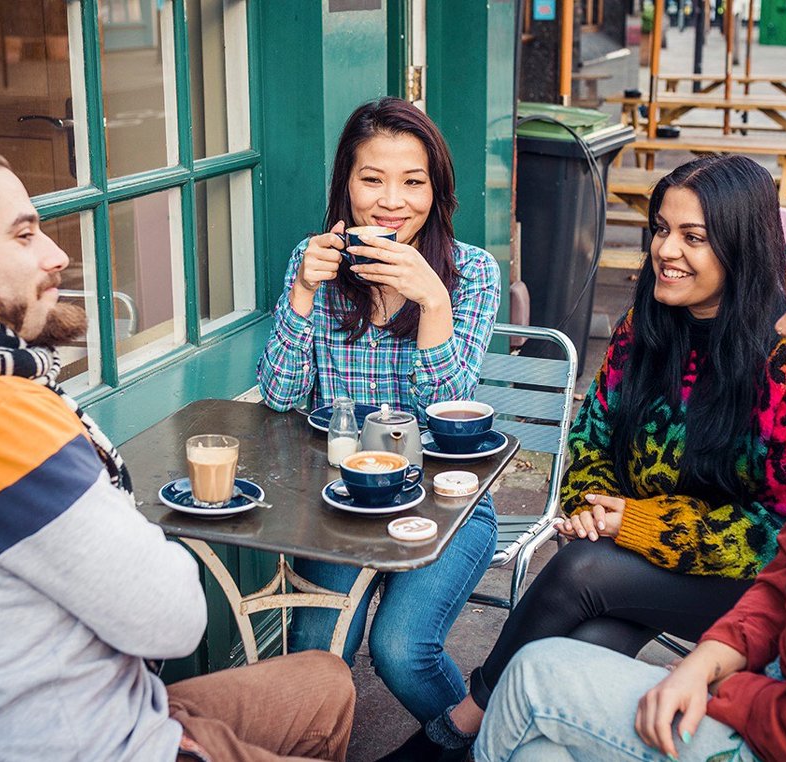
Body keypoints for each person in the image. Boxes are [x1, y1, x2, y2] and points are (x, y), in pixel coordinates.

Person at [0, 147, 355, 761]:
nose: (57, 255)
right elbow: (176, 619)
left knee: (325, 682)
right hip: (103, 747)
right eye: (25, 235)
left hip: (108, 709)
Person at [475, 194, 786, 762]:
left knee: (538, 673)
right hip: (771, 659)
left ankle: (457, 728)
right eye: (661, 229)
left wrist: (713, 680)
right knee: (544, 738)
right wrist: (707, 658)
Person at [383, 154, 786, 761]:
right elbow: (590, 441)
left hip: (747, 593)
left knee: (582, 572)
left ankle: (457, 728)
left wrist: (640, 525)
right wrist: (591, 510)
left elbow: (784, 534)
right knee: (580, 641)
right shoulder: (644, 327)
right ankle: (497, 744)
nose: (666, 251)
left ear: (741, 245)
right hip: (632, 561)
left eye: (693, 238)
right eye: (661, 230)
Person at [256, 97, 500, 734]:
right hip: (342, 499)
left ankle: (477, 744)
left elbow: (446, 420)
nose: (392, 201)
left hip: (447, 500)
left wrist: (432, 300)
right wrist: (303, 293)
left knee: (401, 650)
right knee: (319, 652)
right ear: (347, 186)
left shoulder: (473, 273)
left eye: (412, 181)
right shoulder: (315, 263)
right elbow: (280, 397)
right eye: (372, 179)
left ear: (436, 189)